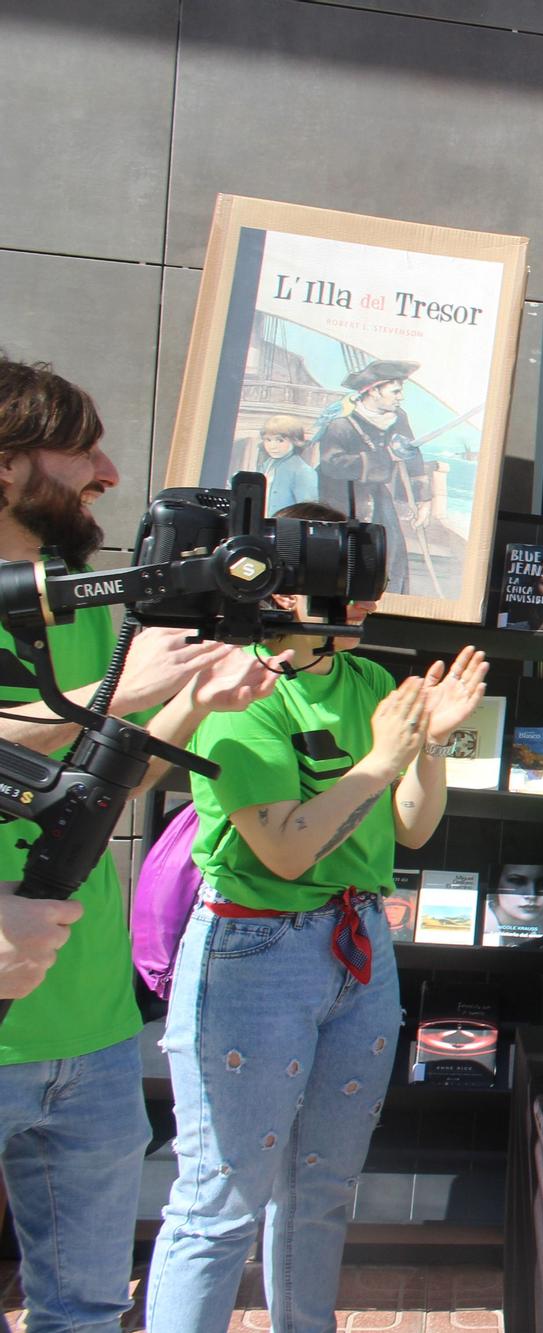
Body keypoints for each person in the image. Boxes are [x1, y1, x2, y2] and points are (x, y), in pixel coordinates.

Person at [145, 500, 489, 1333]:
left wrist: (430, 745)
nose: (368, 604)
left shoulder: (367, 681)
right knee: (221, 1198)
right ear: (289, 590)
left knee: (323, 1186)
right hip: (255, 949)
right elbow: (288, 850)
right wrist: (381, 757)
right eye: (351, 584)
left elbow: (410, 824)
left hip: (357, 945)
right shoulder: (241, 690)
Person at [0, 354, 290, 1331]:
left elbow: (97, 771)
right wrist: (118, 698)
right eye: (81, 448)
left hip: (90, 1020)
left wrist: (184, 706)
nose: (108, 473)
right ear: (6, 467)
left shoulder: (71, 593)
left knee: (82, 1309)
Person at [314, 358, 425, 595]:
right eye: (395, 391)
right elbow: (332, 464)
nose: (400, 397)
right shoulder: (340, 425)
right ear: (374, 390)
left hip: (379, 501)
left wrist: (420, 501)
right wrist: (386, 456)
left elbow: (412, 459)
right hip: (341, 503)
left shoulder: (398, 418)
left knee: (391, 556)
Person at [255, 414, 319, 512]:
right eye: (268, 440)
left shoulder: (303, 471)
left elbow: (308, 512)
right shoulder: (267, 465)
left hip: (285, 526)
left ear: (295, 441)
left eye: (280, 440)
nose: (273, 446)